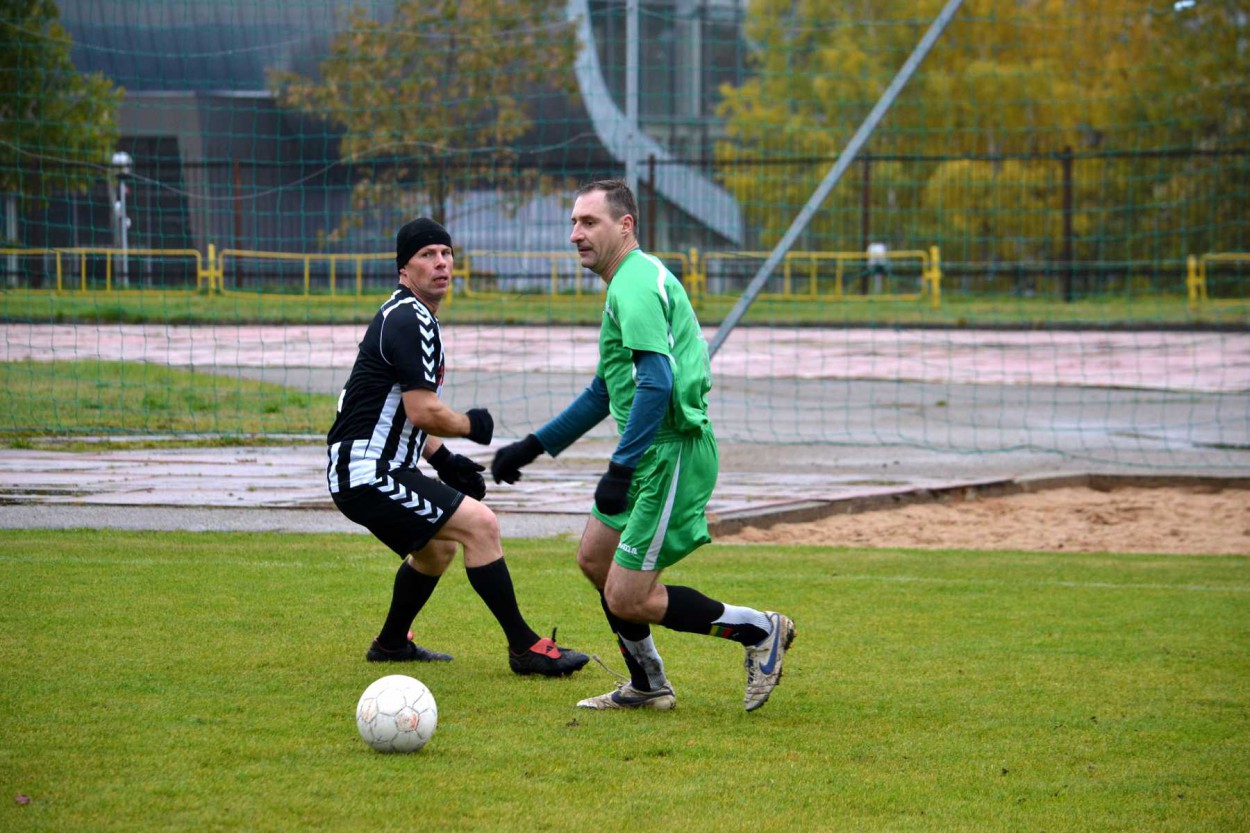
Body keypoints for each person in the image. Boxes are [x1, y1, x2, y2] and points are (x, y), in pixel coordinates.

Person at [491, 181, 795, 711]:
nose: (575, 234)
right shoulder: (627, 283)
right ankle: (647, 685)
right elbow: (604, 391)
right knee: (595, 559)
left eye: (589, 222)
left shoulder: (633, 284)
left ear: (625, 225)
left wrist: (621, 468)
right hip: (647, 453)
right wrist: (533, 446)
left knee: (629, 595)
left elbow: (657, 382)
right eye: (574, 222)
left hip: (670, 453)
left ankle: (759, 630)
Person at [327, 217, 589, 678]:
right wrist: (472, 426)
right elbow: (423, 410)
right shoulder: (410, 319)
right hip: (368, 472)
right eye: (427, 255)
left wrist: (442, 459)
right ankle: (525, 648)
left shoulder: (406, 314)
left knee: (437, 550)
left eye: (446, 254)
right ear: (404, 267)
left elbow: (395, 408)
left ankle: (391, 644)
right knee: (481, 525)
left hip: (368, 468)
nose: (441, 263)